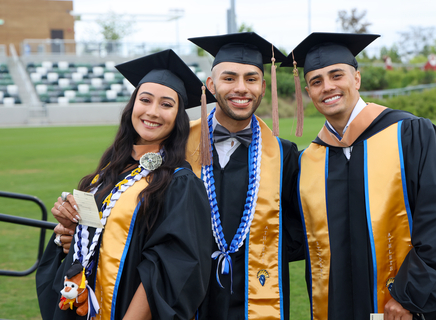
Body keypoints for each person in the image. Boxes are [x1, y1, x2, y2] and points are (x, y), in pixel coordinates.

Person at [282, 32, 436, 319]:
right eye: (316, 81)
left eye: (336, 75)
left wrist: (410, 296)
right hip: (336, 307)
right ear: (308, 92)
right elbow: (297, 235)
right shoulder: (310, 160)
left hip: (400, 306)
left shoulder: (408, 135)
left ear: (356, 79)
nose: (327, 87)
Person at [36, 49, 217, 320]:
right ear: (132, 105)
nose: (153, 112)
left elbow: (171, 266)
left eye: (166, 104)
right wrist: (70, 232)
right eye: (145, 100)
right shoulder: (108, 172)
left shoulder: (180, 184)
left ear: (178, 117)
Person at [186, 32, 304, 320]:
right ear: (211, 85)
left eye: (251, 79)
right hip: (187, 294)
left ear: (263, 87)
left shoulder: (284, 155)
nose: (241, 88)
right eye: (229, 78)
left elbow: (301, 228)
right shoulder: (179, 145)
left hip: (257, 294)